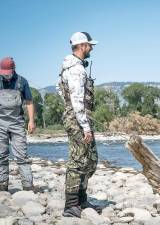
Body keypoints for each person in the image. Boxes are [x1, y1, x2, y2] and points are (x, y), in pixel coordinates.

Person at [57, 32, 100, 217]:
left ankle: (81, 200)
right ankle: (71, 205)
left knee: (90, 160)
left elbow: (59, 88)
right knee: (78, 161)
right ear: (82, 46)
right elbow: (76, 101)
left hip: (77, 118)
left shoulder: (70, 66)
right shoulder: (76, 69)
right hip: (77, 119)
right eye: (89, 45)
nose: (91, 48)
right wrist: (85, 126)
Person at [0, 57, 36, 192]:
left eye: (7, 72)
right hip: (0, 123)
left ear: (13, 69)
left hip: (17, 123)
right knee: (1, 155)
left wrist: (31, 121)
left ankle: (28, 186)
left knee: (22, 155)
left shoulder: (22, 81)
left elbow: (29, 102)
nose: (5, 75)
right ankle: (2, 186)